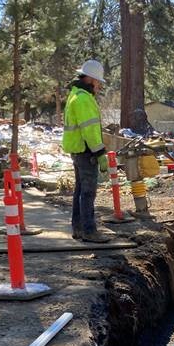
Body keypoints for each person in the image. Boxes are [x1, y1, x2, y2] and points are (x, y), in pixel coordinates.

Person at [61, 59, 112, 242]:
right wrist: (100, 154)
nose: (98, 85)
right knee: (88, 192)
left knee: (80, 191)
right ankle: (89, 231)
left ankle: (79, 228)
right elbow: (89, 130)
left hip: (78, 150)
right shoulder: (83, 99)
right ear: (90, 78)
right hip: (86, 151)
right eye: (97, 81)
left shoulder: (75, 95)